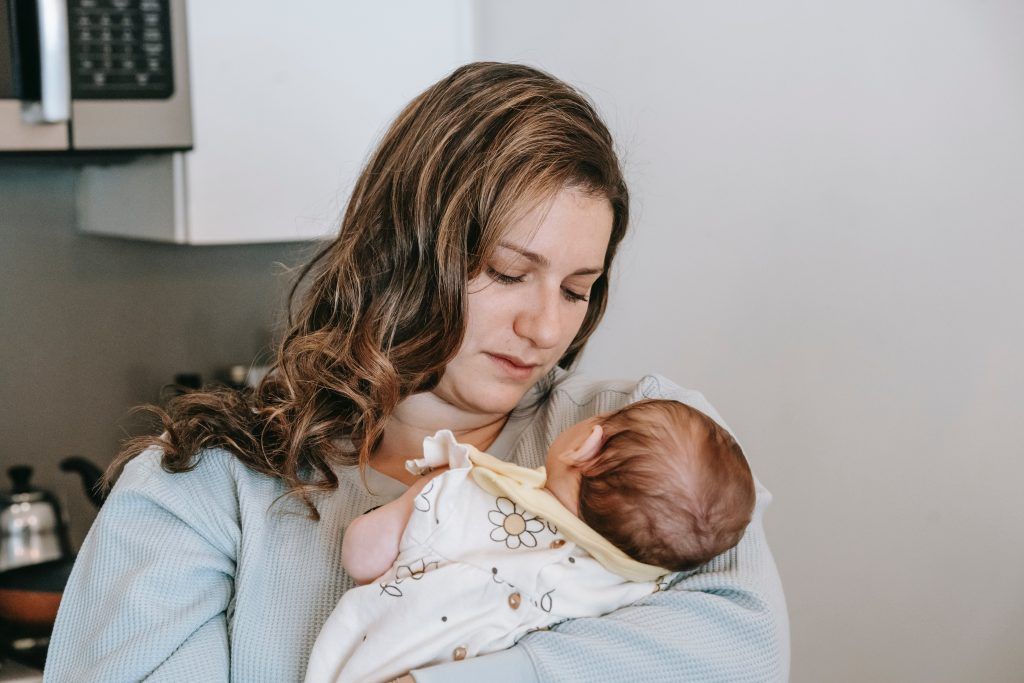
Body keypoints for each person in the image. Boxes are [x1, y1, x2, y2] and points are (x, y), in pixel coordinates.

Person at [44, 62, 789, 682]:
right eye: (506, 271)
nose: (546, 327)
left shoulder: (642, 438)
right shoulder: (203, 490)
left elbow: (741, 644)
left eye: (574, 288)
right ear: (402, 250)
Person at [306, 399, 757, 683]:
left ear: (585, 446)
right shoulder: (634, 590)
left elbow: (362, 555)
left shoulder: (466, 495)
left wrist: (420, 495)